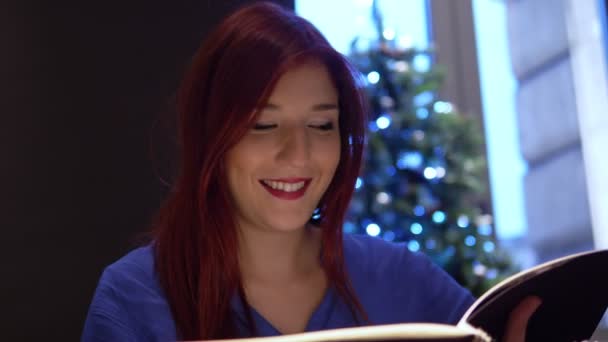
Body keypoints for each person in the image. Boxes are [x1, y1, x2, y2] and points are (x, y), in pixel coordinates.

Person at [81, 2, 540, 341]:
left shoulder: (403, 281)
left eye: (322, 125)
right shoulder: (136, 299)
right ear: (211, 136)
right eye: (263, 125)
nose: (297, 153)